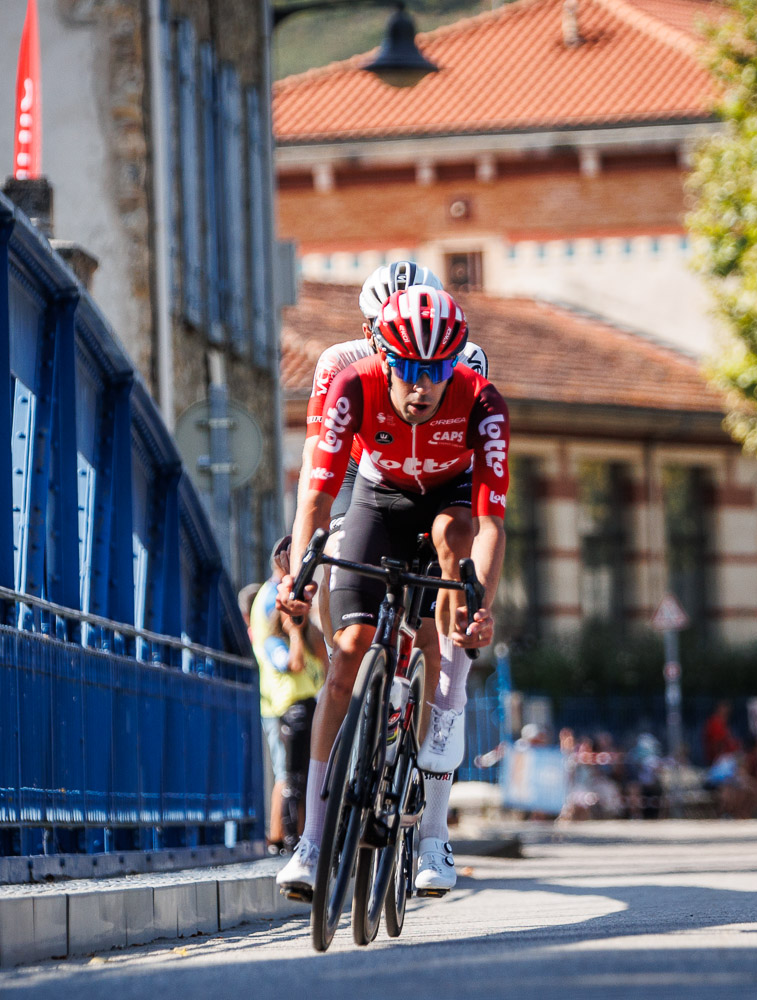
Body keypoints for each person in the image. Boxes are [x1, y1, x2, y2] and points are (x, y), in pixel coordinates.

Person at [276, 285, 509, 900]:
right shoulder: (353, 386)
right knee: (349, 648)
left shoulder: (481, 401)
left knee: (450, 555)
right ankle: (312, 841)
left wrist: (479, 603)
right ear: (381, 355)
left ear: (454, 364)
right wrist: (302, 569)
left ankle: (434, 837)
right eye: (405, 368)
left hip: (449, 502)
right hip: (378, 498)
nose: (420, 386)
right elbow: (318, 495)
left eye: (435, 371)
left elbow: (490, 523)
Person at [297, 261, 492, 784]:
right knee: (339, 544)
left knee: (437, 614)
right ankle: (345, 669)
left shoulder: (467, 363)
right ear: (369, 332)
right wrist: (308, 556)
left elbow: (473, 469)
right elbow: (319, 465)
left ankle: (425, 787)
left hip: (443, 480)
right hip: (366, 467)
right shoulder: (342, 364)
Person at [245, 546, 327, 854]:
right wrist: (295, 631)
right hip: (284, 701)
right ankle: (282, 837)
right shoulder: (271, 599)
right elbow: (285, 657)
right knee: (289, 775)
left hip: (294, 700)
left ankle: (290, 835)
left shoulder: (277, 598)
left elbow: (320, 657)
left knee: (296, 774)